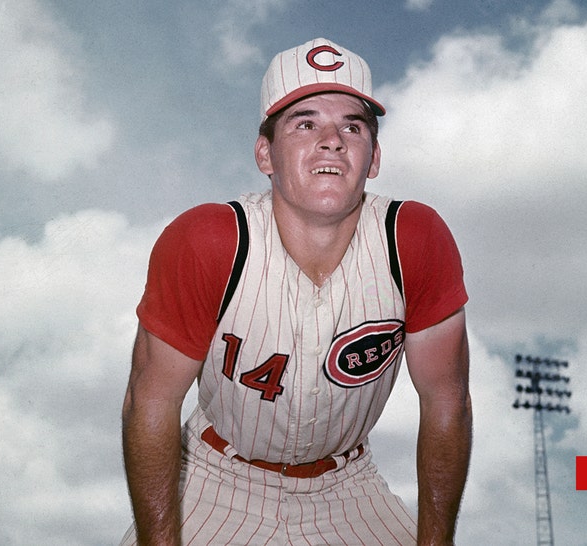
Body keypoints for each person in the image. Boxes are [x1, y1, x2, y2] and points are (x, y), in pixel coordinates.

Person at [120, 37, 472, 546]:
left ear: (373, 158)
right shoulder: (209, 240)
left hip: (348, 487)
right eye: (305, 123)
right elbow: (150, 402)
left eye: (353, 126)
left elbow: (447, 401)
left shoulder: (414, 238)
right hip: (213, 480)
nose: (332, 140)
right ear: (265, 153)